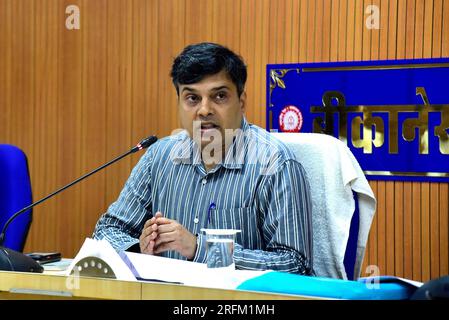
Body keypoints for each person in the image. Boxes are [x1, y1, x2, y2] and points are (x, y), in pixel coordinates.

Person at [93, 42, 314, 275]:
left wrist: (201, 248)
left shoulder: (275, 163)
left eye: (219, 96)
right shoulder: (158, 157)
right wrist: (140, 248)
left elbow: (295, 264)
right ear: (178, 103)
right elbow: (106, 230)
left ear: (241, 101)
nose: (204, 110)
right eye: (192, 98)